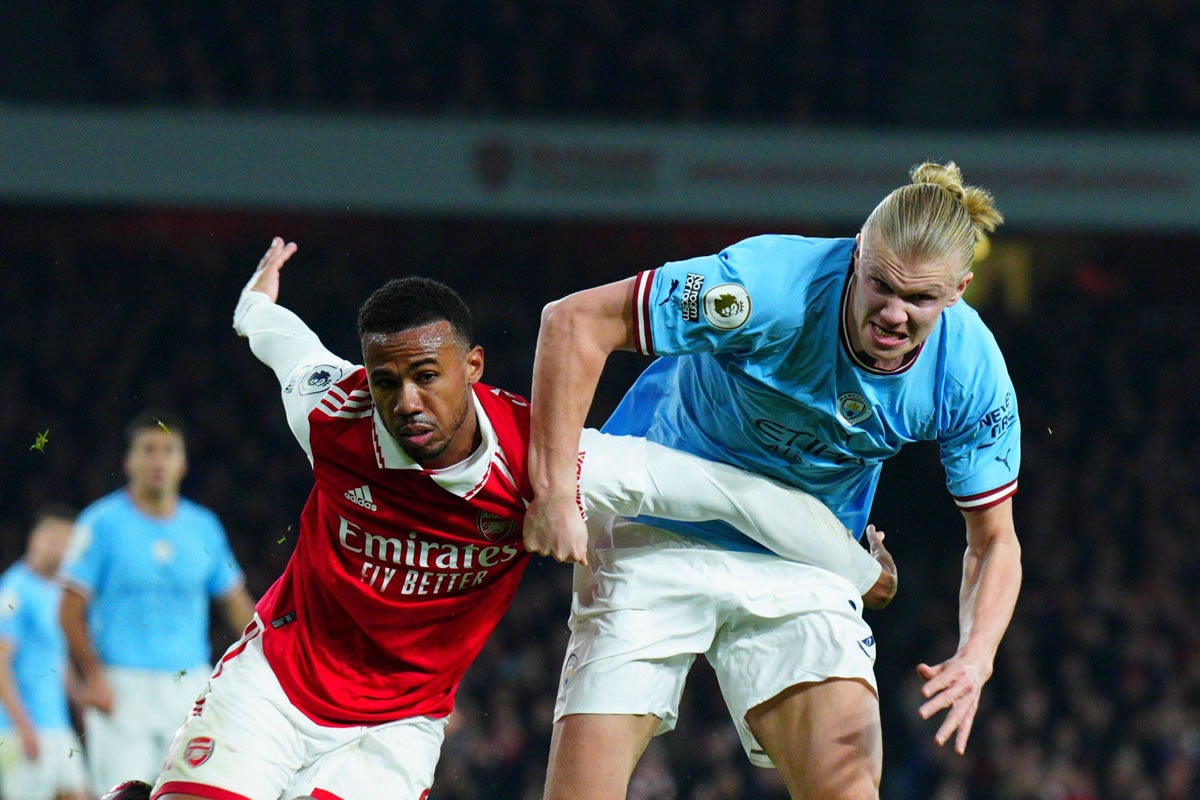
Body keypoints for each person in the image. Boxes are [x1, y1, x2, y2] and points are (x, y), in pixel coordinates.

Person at [150, 237, 894, 800]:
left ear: (471, 368)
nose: (405, 399)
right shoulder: (330, 410)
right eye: (386, 381)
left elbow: (738, 496)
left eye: (425, 376)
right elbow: (283, 343)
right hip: (275, 687)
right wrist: (256, 299)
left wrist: (860, 572)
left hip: (398, 726)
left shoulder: (550, 461)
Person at [524, 161, 1023, 799]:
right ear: (856, 256)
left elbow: (994, 541)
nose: (894, 314)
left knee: (847, 789)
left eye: (920, 299)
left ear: (958, 290)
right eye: (880, 285)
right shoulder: (764, 287)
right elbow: (573, 323)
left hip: (801, 559)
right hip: (661, 527)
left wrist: (976, 654)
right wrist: (555, 493)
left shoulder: (969, 372)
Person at [59, 411, 257, 796]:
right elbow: (68, 610)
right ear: (129, 461)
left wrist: (273, 659)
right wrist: (93, 675)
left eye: (168, 451)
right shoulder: (99, 524)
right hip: (120, 686)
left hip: (191, 688)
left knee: (190, 791)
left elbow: (238, 608)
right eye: (147, 450)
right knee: (122, 791)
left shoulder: (205, 528)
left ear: (182, 463)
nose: (157, 461)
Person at [0, 504, 89, 800]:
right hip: (20, 728)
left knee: (78, 793)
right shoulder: (13, 590)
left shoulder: (57, 591)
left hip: (55, 724)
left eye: (68, 543)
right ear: (34, 540)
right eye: (54, 540)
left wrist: (79, 700)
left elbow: (56, 656)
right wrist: (23, 726)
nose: (61, 549)